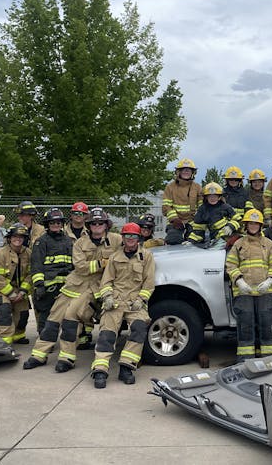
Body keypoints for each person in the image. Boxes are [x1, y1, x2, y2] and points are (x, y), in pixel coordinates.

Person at [52, 208, 122, 371]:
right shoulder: (80, 243)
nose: (97, 226)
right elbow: (81, 267)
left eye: (100, 223)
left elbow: (131, 252)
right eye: (94, 223)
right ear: (89, 225)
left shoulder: (117, 240)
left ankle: (104, 360)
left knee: (109, 322)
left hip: (110, 287)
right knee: (70, 316)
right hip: (86, 286)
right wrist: (101, 264)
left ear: (106, 225)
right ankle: (66, 358)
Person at [91, 222, 154, 389]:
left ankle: (126, 368)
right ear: (123, 238)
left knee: (139, 329)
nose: (130, 239)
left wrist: (141, 299)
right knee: (107, 334)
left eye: (134, 236)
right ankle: (100, 370)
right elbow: (106, 282)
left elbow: (149, 283)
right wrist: (108, 297)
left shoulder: (146, 256)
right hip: (116, 302)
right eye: (127, 236)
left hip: (135, 303)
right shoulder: (114, 257)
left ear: (139, 238)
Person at [225, 209, 272, 361]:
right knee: (246, 322)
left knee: (267, 321)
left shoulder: (268, 244)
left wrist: (270, 280)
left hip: (265, 291)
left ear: (260, 226)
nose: (253, 226)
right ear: (246, 225)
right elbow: (230, 265)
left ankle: (270, 357)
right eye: (251, 223)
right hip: (244, 291)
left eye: (256, 224)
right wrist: (239, 281)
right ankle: (245, 359)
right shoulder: (239, 244)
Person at [30, 208, 74, 334]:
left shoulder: (67, 241)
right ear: (47, 225)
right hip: (49, 285)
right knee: (46, 314)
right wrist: (39, 285)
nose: (56, 225)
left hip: (66, 285)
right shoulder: (41, 242)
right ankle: (45, 340)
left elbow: (73, 264)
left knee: (67, 315)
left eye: (58, 223)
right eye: (52, 223)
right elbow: (36, 265)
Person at [162, 158, 203, 245]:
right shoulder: (170, 187)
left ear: (192, 173)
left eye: (188, 170)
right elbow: (166, 206)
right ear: (178, 172)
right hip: (175, 222)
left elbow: (201, 205)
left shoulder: (197, 187)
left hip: (192, 222)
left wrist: (197, 218)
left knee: (194, 242)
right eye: (184, 170)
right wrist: (175, 219)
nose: (186, 172)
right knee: (173, 240)